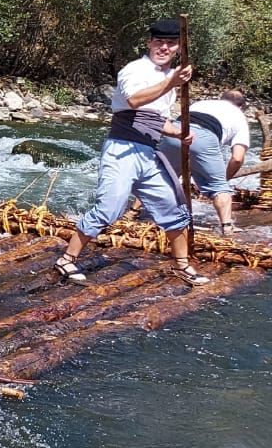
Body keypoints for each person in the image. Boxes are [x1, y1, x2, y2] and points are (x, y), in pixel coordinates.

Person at [54, 17, 208, 287]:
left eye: (170, 44)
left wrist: (180, 133)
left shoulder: (167, 77)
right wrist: (172, 82)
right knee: (109, 209)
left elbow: (155, 119)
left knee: (174, 207)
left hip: (149, 153)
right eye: (159, 42)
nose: (163, 47)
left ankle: (182, 265)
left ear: (178, 49)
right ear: (150, 43)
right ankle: (66, 259)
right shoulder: (135, 70)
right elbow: (134, 101)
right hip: (121, 150)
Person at [160, 89, 252, 234]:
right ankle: (227, 227)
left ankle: (133, 213)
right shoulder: (240, 117)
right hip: (205, 136)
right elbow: (237, 158)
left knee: (159, 176)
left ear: (221, 98)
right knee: (220, 188)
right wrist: (223, 179)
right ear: (241, 106)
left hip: (175, 131)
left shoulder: (203, 103)